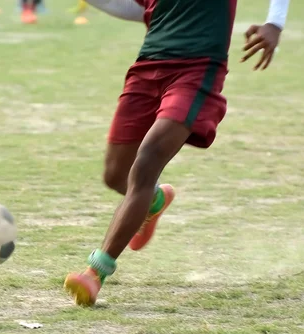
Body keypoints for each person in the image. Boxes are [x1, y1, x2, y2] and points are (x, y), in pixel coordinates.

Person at [63, 0, 291, 306]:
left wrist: (275, 23)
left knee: (145, 166)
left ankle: (95, 272)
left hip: (197, 72)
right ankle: (155, 199)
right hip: (147, 67)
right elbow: (140, 9)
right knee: (116, 175)